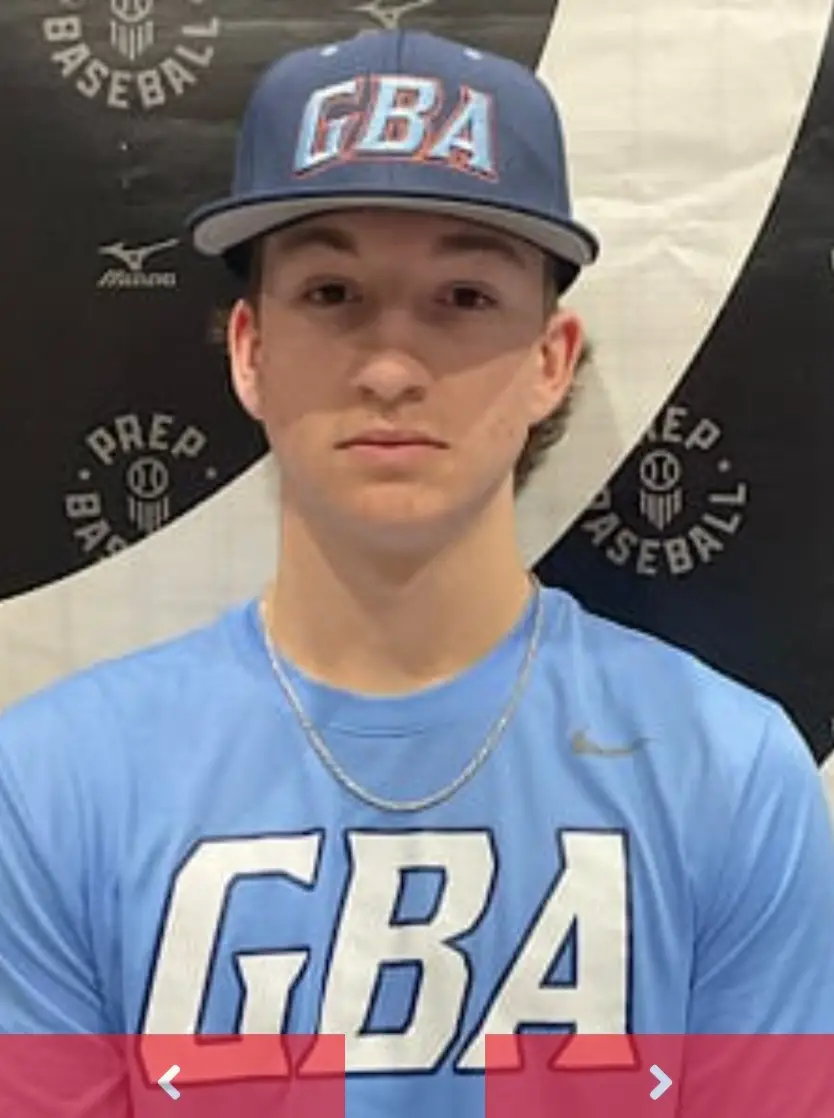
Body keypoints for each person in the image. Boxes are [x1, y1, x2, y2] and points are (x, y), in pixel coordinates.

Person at [1, 26, 833, 1118]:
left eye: (464, 297)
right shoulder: (54, 783)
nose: (392, 367)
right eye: (333, 293)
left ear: (550, 359)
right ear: (251, 349)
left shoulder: (726, 770)